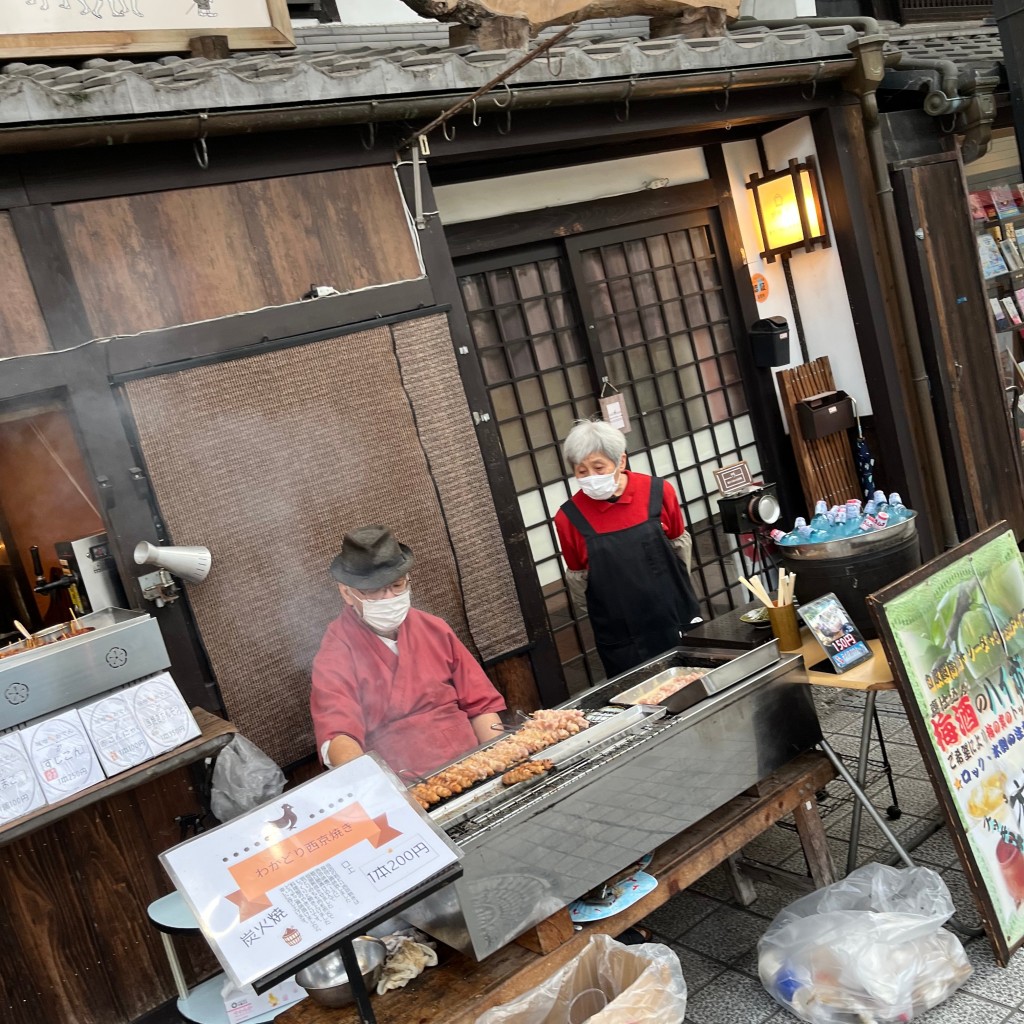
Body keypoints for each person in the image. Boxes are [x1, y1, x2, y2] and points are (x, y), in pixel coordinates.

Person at [310, 525, 506, 779]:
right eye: (374, 590)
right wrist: (378, 790)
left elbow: (481, 705)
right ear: (346, 592)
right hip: (403, 782)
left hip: (475, 763)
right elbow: (338, 734)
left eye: (397, 585)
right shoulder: (336, 653)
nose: (388, 597)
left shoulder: (434, 629)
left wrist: (501, 760)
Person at [554, 419, 700, 678]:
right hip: (622, 636)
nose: (591, 478)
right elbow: (579, 582)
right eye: (581, 471)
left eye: (599, 468)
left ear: (621, 462)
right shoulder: (569, 518)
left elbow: (680, 550)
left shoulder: (658, 492)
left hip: (675, 616)